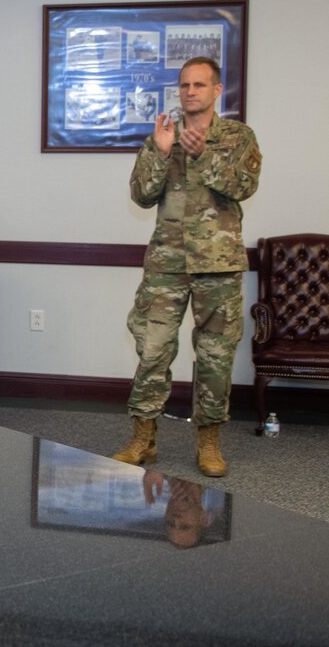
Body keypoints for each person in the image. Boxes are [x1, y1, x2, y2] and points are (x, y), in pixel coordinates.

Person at [113, 56, 261, 477]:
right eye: (184, 85)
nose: (190, 92)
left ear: (217, 91)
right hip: (167, 264)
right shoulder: (162, 135)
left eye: (199, 85)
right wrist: (161, 155)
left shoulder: (238, 136)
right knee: (152, 349)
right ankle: (144, 439)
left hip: (218, 265)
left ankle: (209, 443)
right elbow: (141, 196)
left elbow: (245, 186)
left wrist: (204, 158)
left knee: (215, 356)